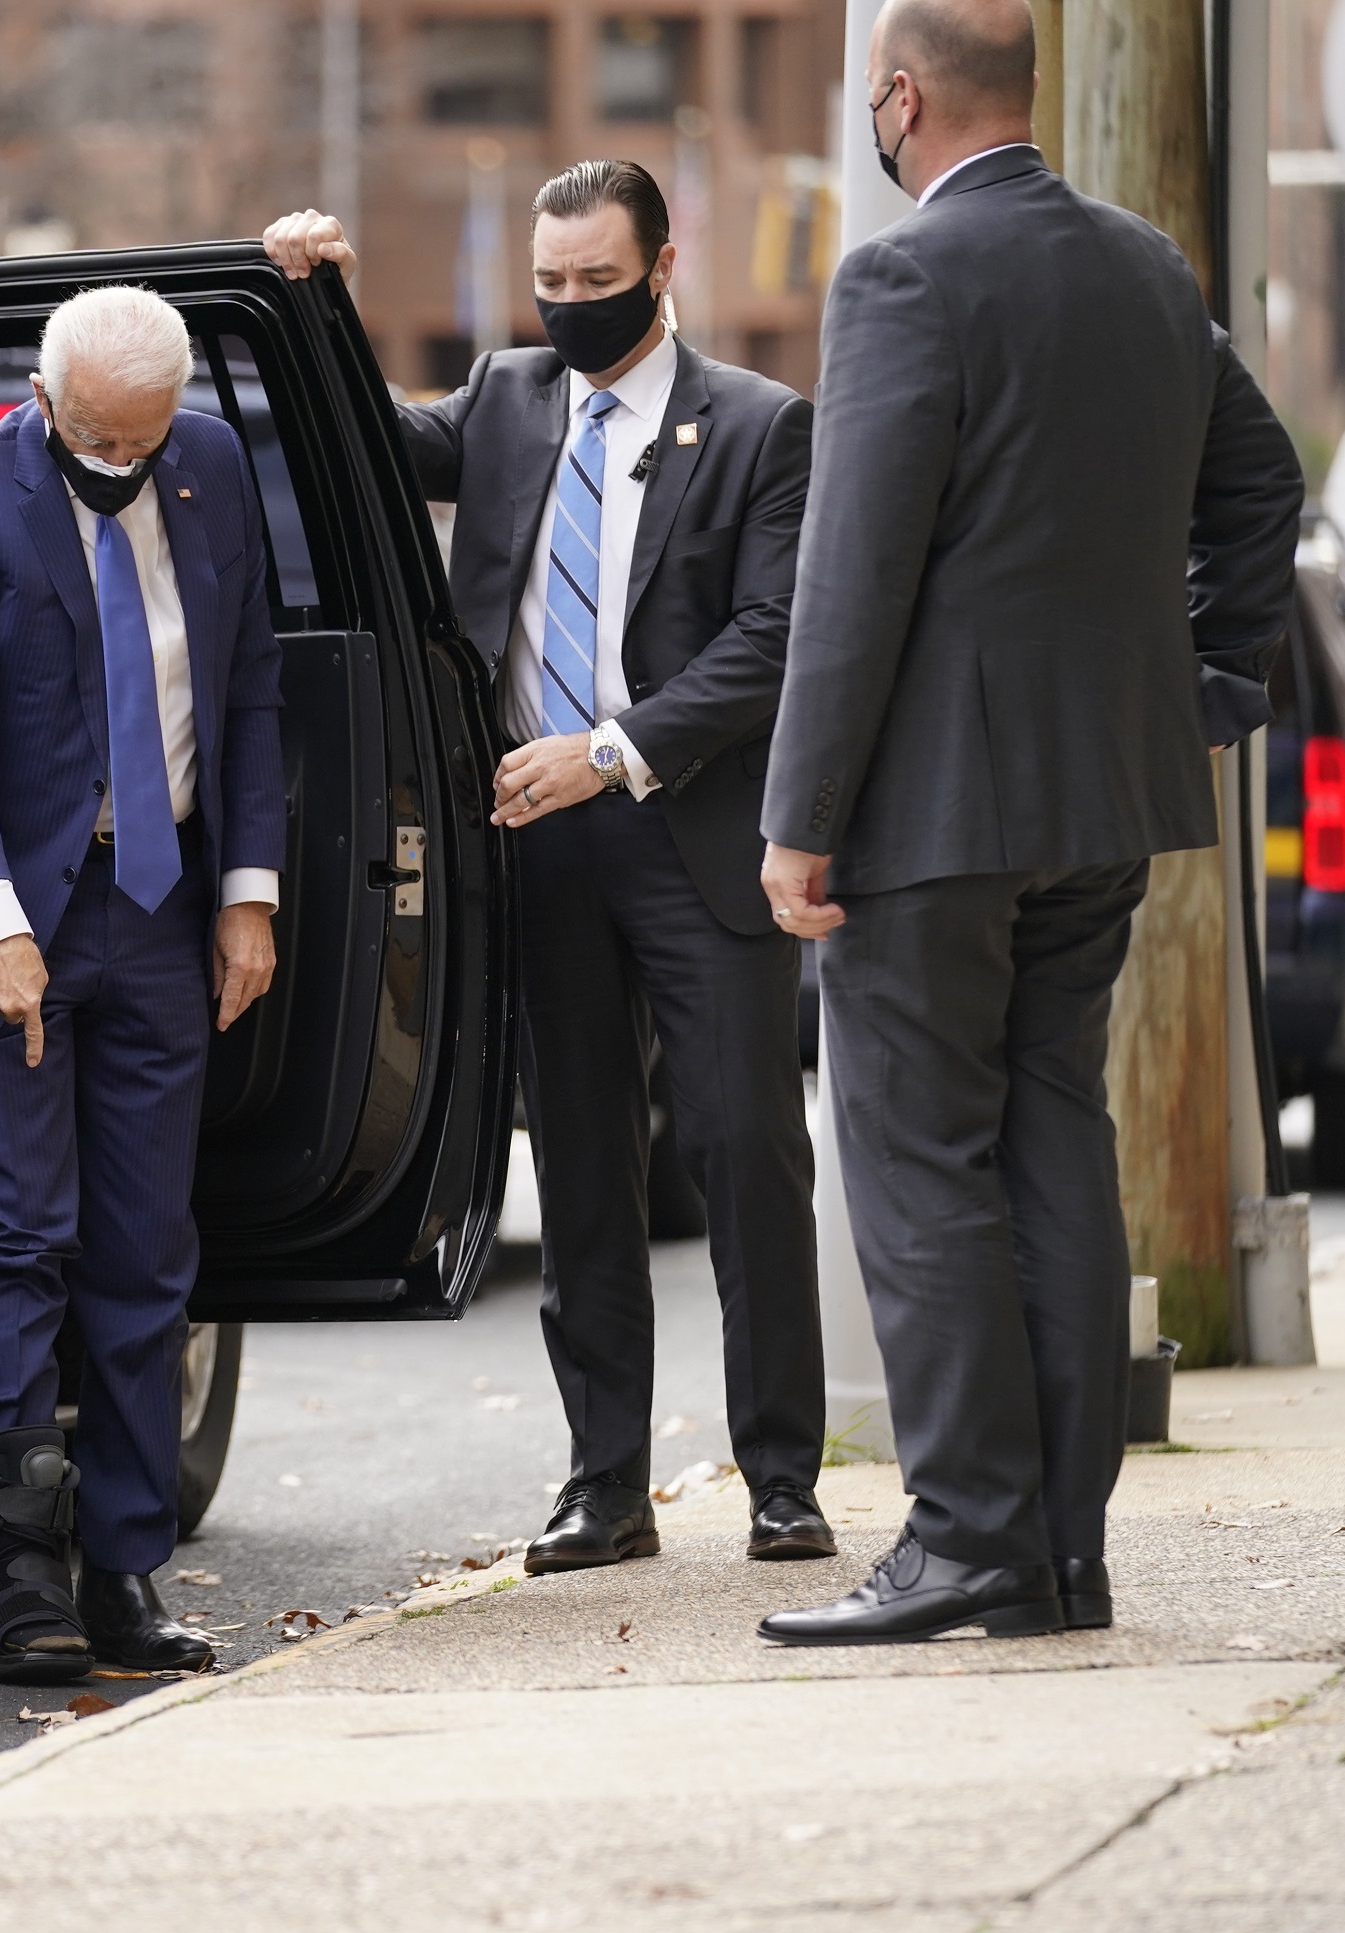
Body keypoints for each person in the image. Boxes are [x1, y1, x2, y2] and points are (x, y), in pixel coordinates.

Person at [753, 0, 1303, 1646]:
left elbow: (854, 574)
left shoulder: (903, 276)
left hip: (930, 810)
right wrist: (1204, 675)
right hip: (1101, 795)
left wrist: (800, 816)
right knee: (1055, 1133)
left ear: (899, 96)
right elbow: (1261, 484)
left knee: (919, 1160)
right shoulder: (1146, 266)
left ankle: (969, 1537)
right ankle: (1060, 1551)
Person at [268, 161, 835, 1576]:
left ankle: (781, 1478)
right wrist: (316, 303)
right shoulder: (513, 399)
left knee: (743, 1156)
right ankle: (605, 1483)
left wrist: (616, 748)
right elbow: (380, 447)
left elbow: (769, 638)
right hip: (531, 843)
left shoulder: (762, 428)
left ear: (662, 265)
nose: (571, 307)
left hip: (690, 831)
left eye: (598, 282)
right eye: (551, 285)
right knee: (578, 1166)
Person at [0, 286, 286, 1682]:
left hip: (163, 913)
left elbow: (247, 691)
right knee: (19, 1236)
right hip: (21, 924)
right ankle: (9, 1576)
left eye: (148, 437)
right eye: (99, 439)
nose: (124, 464)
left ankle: (124, 1570)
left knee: (145, 1247)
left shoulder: (215, 468)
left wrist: (249, 892)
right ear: (47, 401)